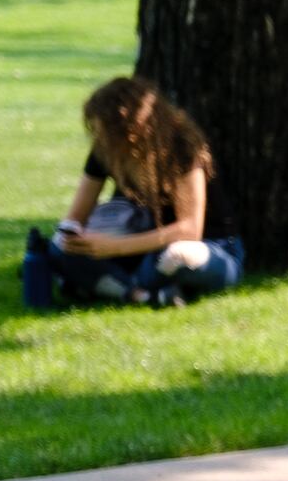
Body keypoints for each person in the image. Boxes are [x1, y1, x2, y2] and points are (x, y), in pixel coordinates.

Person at [21, 78, 243, 309]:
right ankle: (144, 295)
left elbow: (189, 230)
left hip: (208, 247)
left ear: (131, 130)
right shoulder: (105, 152)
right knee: (59, 247)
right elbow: (75, 219)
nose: (99, 139)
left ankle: (114, 287)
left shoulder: (182, 148)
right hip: (145, 247)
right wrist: (74, 238)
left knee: (175, 257)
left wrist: (115, 246)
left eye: (105, 132)